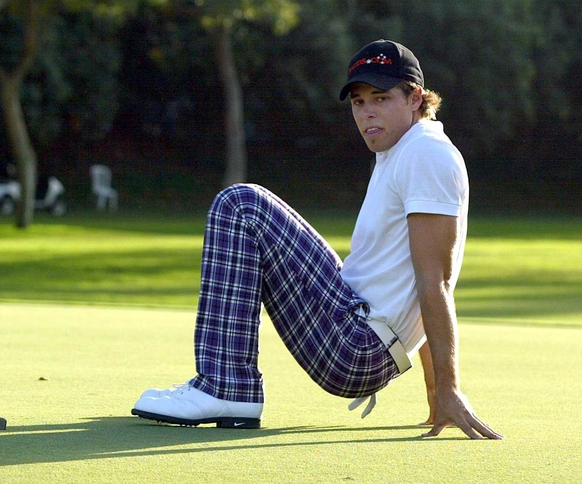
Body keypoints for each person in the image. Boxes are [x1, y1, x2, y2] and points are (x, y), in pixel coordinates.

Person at [131, 39, 502, 440]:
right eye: (358, 102)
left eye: (380, 98)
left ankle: (226, 385)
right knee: (245, 207)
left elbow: (436, 281)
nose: (367, 112)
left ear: (415, 99)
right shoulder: (404, 150)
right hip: (357, 332)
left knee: (241, 205)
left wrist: (448, 389)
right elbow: (414, 277)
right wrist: (434, 393)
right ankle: (225, 383)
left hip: (357, 346)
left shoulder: (425, 153)